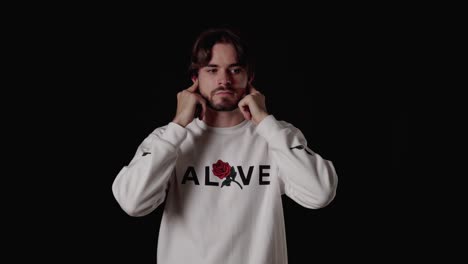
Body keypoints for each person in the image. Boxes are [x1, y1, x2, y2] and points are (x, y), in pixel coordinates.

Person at [112, 27, 338, 264]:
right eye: (212, 70)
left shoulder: (276, 135)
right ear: (195, 79)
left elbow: (320, 193)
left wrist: (265, 122)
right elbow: (133, 202)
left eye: (235, 70)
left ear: (249, 78)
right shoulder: (168, 138)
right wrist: (178, 125)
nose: (224, 80)